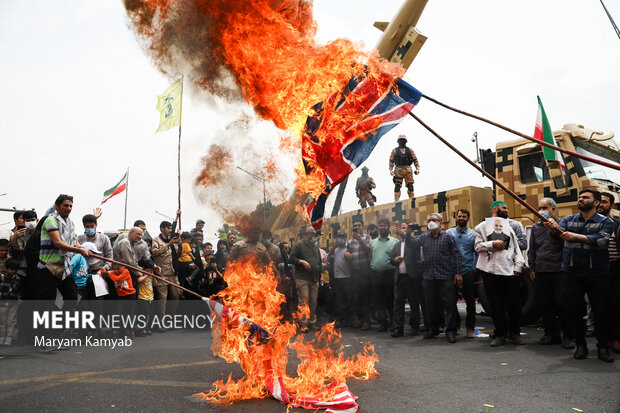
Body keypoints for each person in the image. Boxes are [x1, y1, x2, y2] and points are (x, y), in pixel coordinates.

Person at [544, 188, 615, 362]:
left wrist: (575, 236)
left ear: (596, 203)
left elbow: (601, 241)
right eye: (580, 197)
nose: (581, 199)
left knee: (601, 312)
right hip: (571, 272)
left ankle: (603, 347)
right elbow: (558, 238)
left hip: (597, 273)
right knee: (573, 311)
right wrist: (553, 230)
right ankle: (580, 345)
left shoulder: (607, 222)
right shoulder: (569, 219)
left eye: (585, 197)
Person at [474, 201, 525, 346]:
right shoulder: (482, 227)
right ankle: (500, 334)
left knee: (514, 304)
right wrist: (492, 244)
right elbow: (477, 247)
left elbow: (516, 250)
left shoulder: (510, 228)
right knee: (496, 304)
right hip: (490, 271)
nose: (507, 210)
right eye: (504, 208)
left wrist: (518, 267)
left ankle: (514, 333)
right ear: (495, 209)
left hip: (509, 271)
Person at [528, 198, 573, 348]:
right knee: (545, 305)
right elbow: (532, 249)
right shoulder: (535, 227)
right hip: (541, 271)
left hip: (559, 271)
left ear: (553, 210)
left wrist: (554, 230)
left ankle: (568, 336)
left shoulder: (563, 223)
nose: (541, 211)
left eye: (544, 207)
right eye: (539, 207)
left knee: (563, 305)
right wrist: (532, 268)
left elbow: (567, 244)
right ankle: (551, 334)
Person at [416, 213, 462, 343]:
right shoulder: (424, 237)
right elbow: (412, 244)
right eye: (429, 220)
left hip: (445, 276)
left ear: (440, 223)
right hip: (429, 277)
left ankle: (451, 331)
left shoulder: (448, 237)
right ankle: (433, 329)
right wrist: (407, 234)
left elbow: (457, 255)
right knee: (431, 305)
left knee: (450, 305)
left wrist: (458, 273)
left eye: (434, 220)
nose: (431, 222)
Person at [35, 194, 89, 301]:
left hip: (65, 267)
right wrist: (79, 250)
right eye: (65, 205)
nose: (68, 208)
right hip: (48, 268)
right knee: (47, 302)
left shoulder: (71, 224)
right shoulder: (51, 220)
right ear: (57, 206)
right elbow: (58, 243)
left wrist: (82, 249)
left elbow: (74, 243)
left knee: (72, 299)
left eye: (70, 206)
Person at [446, 209, 478, 338]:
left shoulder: (473, 234)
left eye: (464, 216)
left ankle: (470, 329)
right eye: (459, 216)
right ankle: (456, 325)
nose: (461, 218)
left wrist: (474, 269)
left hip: (467, 271)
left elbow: (477, 253)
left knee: (470, 302)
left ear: (468, 218)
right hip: (451, 272)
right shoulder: (449, 233)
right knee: (451, 301)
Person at [391, 221, 425, 337]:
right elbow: (390, 260)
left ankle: (415, 327)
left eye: (405, 229)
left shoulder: (414, 242)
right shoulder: (396, 245)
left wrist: (407, 235)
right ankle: (398, 328)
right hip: (399, 278)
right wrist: (394, 260)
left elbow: (413, 244)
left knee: (414, 303)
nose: (402, 231)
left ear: (409, 230)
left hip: (411, 278)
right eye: (401, 229)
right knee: (398, 305)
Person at [598, 192, 620, 353]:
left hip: (615, 268)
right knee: (600, 306)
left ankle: (616, 339)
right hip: (598, 269)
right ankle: (603, 341)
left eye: (605, 202)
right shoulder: (591, 223)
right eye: (599, 202)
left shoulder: (617, 223)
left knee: (616, 306)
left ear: (611, 205)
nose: (601, 205)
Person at [289, 227, 322, 332]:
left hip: (314, 278)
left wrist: (320, 274)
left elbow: (319, 262)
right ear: (307, 235)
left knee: (313, 301)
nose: (314, 237)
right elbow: (291, 259)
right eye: (312, 234)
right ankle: (303, 324)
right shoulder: (299, 245)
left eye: (315, 235)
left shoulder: (315, 247)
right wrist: (301, 262)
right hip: (302, 278)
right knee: (304, 301)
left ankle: (312, 322)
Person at [369, 218, 400, 332]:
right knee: (378, 301)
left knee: (390, 300)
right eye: (380, 226)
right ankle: (383, 324)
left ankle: (393, 323)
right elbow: (370, 257)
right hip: (376, 275)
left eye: (384, 226)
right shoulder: (373, 242)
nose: (382, 228)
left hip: (389, 274)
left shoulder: (395, 242)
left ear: (388, 227)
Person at [151, 221, 181, 329]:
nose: (170, 230)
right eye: (168, 228)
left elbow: (178, 254)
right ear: (162, 228)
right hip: (161, 273)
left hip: (172, 273)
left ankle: (171, 320)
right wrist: (168, 245)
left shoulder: (172, 240)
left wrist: (179, 243)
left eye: (170, 228)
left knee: (175, 295)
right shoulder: (156, 240)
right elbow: (154, 253)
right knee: (162, 298)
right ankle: (161, 322)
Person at [347, 217, 372, 330]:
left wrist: (359, 240)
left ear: (363, 226)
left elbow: (368, 251)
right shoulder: (350, 241)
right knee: (356, 298)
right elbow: (347, 252)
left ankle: (367, 321)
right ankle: (359, 320)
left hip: (365, 272)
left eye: (358, 225)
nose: (356, 227)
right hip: (355, 272)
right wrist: (347, 254)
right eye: (355, 226)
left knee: (365, 297)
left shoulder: (368, 237)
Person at [328, 231, 354, 328]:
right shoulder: (336, 249)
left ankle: (350, 320)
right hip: (337, 278)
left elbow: (353, 258)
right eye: (338, 237)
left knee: (348, 299)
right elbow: (328, 257)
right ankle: (342, 320)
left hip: (347, 277)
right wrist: (333, 248)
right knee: (339, 300)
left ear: (345, 237)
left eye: (342, 237)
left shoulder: (349, 247)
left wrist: (350, 256)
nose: (340, 239)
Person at [388, 135, 420, 201]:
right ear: (398, 142)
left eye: (403, 141)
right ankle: (396, 201)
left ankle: (411, 200)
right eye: (400, 141)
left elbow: (415, 160)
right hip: (398, 169)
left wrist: (417, 169)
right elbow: (391, 161)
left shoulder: (409, 150)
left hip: (408, 169)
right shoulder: (395, 151)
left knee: (410, 185)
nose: (402, 142)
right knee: (397, 186)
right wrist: (391, 170)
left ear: (405, 142)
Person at [0, 259, 21, 346]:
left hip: (13, 302)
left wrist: (19, 297)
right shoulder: (1, 277)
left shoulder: (17, 278)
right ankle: (2, 337)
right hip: (2, 302)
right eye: (11, 269)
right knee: (2, 321)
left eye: (15, 270)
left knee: (11, 320)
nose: (13, 271)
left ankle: (9, 337)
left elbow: (17, 289)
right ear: (6, 269)